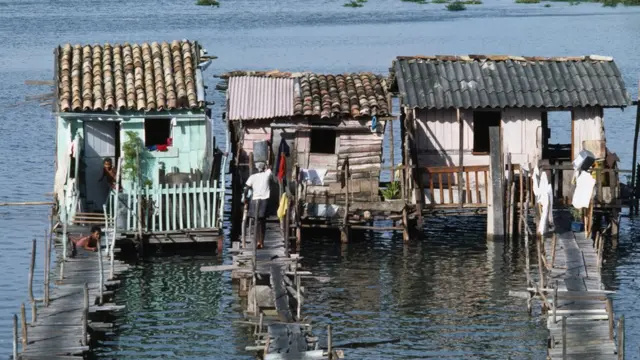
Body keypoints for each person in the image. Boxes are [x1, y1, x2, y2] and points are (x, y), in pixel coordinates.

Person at [245, 162, 272, 249]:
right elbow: (271, 166)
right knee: (262, 222)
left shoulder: (252, 177)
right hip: (264, 201)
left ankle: (257, 242)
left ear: (256, 169)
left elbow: (246, 189)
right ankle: (261, 242)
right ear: (264, 168)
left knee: (256, 222)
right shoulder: (267, 174)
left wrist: (245, 199)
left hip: (255, 200)